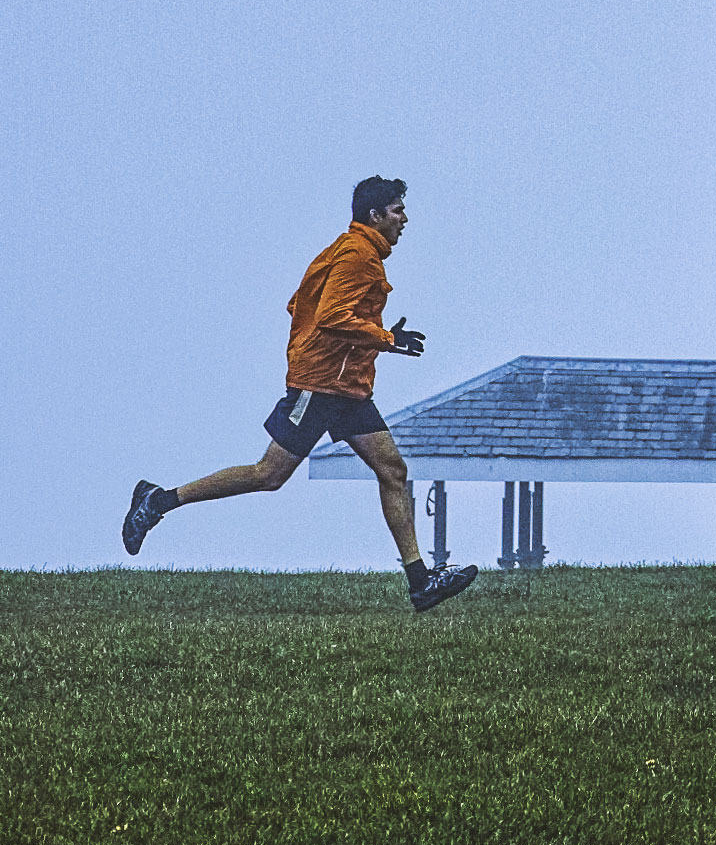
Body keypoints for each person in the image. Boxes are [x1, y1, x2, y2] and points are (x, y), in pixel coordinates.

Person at [121, 178, 479, 615]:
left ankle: (420, 581)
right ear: (375, 216)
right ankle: (158, 500)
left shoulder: (349, 251)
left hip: (346, 388)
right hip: (322, 386)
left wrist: (369, 342)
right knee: (268, 475)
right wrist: (384, 338)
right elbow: (329, 316)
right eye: (398, 210)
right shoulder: (357, 255)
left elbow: (299, 304)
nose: (405, 219)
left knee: (393, 470)